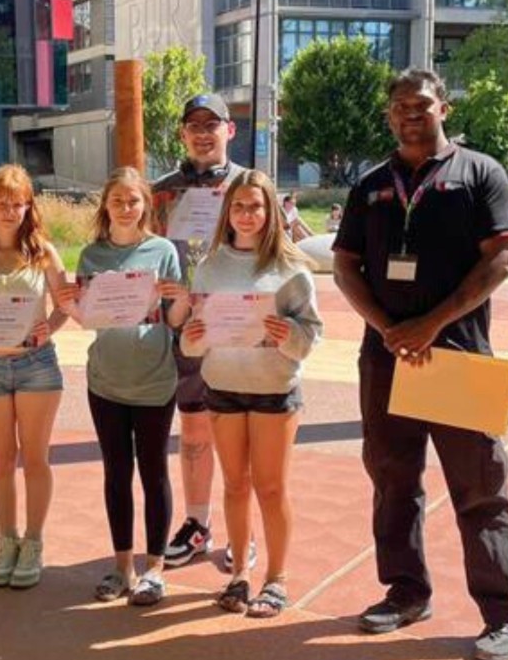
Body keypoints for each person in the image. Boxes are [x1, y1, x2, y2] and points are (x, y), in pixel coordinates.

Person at [332, 68, 508, 660]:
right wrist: (390, 330)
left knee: (479, 490)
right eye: (398, 107)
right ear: (389, 115)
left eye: (420, 104)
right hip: (387, 360)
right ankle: (407, 592)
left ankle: (503, 613)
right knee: (394, 484)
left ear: (443, 107)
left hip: (458, 357)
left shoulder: (480, 173)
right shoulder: (369, 185)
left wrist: (430, 324)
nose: (409, 115)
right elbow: (345, 267)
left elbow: (502, 261)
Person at [181, 170, 321, 618]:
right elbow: (191, 338)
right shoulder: (210, 266)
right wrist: (195, 335)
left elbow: (311, 331)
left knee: (271, 487)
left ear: (271, 211)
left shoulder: (290, 267)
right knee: (235, 485)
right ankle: (240, 572)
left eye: (256, 206)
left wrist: (288, 334)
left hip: (272, 390)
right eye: (239, 206)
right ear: (228, 212)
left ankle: (276, 579)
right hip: (223, 387)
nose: (247, 215)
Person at [58, 167, 189, 606]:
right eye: (118, 201)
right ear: (106, 206)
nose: (126, 208)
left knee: (154, 473)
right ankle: (121, 567)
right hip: (106, 382)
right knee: (116, 473)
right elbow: (91, 320)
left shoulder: (163, 251)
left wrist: (182, 299)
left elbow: (173, 321)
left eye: (133, 201)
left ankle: (154, 569)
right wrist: (70, 308)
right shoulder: (92, 255)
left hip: (154, 380)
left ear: (145, 205)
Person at [151, 93, 254, 573]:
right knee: (193, 431)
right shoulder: (162, 192)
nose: (203, 132)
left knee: (239, 433)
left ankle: (242, 531)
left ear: (229, 131)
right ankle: (197, 524)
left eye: (212, 124)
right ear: (182, 133)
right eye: (193, 125)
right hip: (183, 327)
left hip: (238, 328)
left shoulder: (250, 186)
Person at [0, 165, 68, 589]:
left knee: (35, 458)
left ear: (28, 206)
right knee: (0, 460)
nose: (8, 210)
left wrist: (48, 328)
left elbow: (62, 307)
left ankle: (34, 541)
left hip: (37, 366)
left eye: (17, 203)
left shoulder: (44, 253)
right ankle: (7, 540)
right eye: (0, 202)